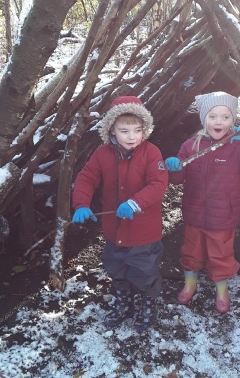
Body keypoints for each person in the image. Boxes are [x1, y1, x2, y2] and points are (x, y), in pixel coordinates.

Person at [165, 92, 240, 313]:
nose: (218, 122)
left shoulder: (238, 146)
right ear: (204, 119)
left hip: (223, 215)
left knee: (220, 254)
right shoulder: (191, 145)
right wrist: (173, 168)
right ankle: (190, 285)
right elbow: (178, 178)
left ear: (232, 120)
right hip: (194, 213)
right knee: (191, 251)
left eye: (225, 117)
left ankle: (222, 291)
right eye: (212, 116)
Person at [71, 96, 168, 332]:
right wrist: (81, 204)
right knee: (116, 266)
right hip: (114, 229)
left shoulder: (151, 153)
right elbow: (87, 177)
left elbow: (158, 183)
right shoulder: (103, 153)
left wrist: (136, 203)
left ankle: (148, 302)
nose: (132, 136)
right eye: (125, 131)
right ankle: (124, 300)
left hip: (144, 231)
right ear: (112, 130)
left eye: (137, 130)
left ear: (145, 129)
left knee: (144, 269)